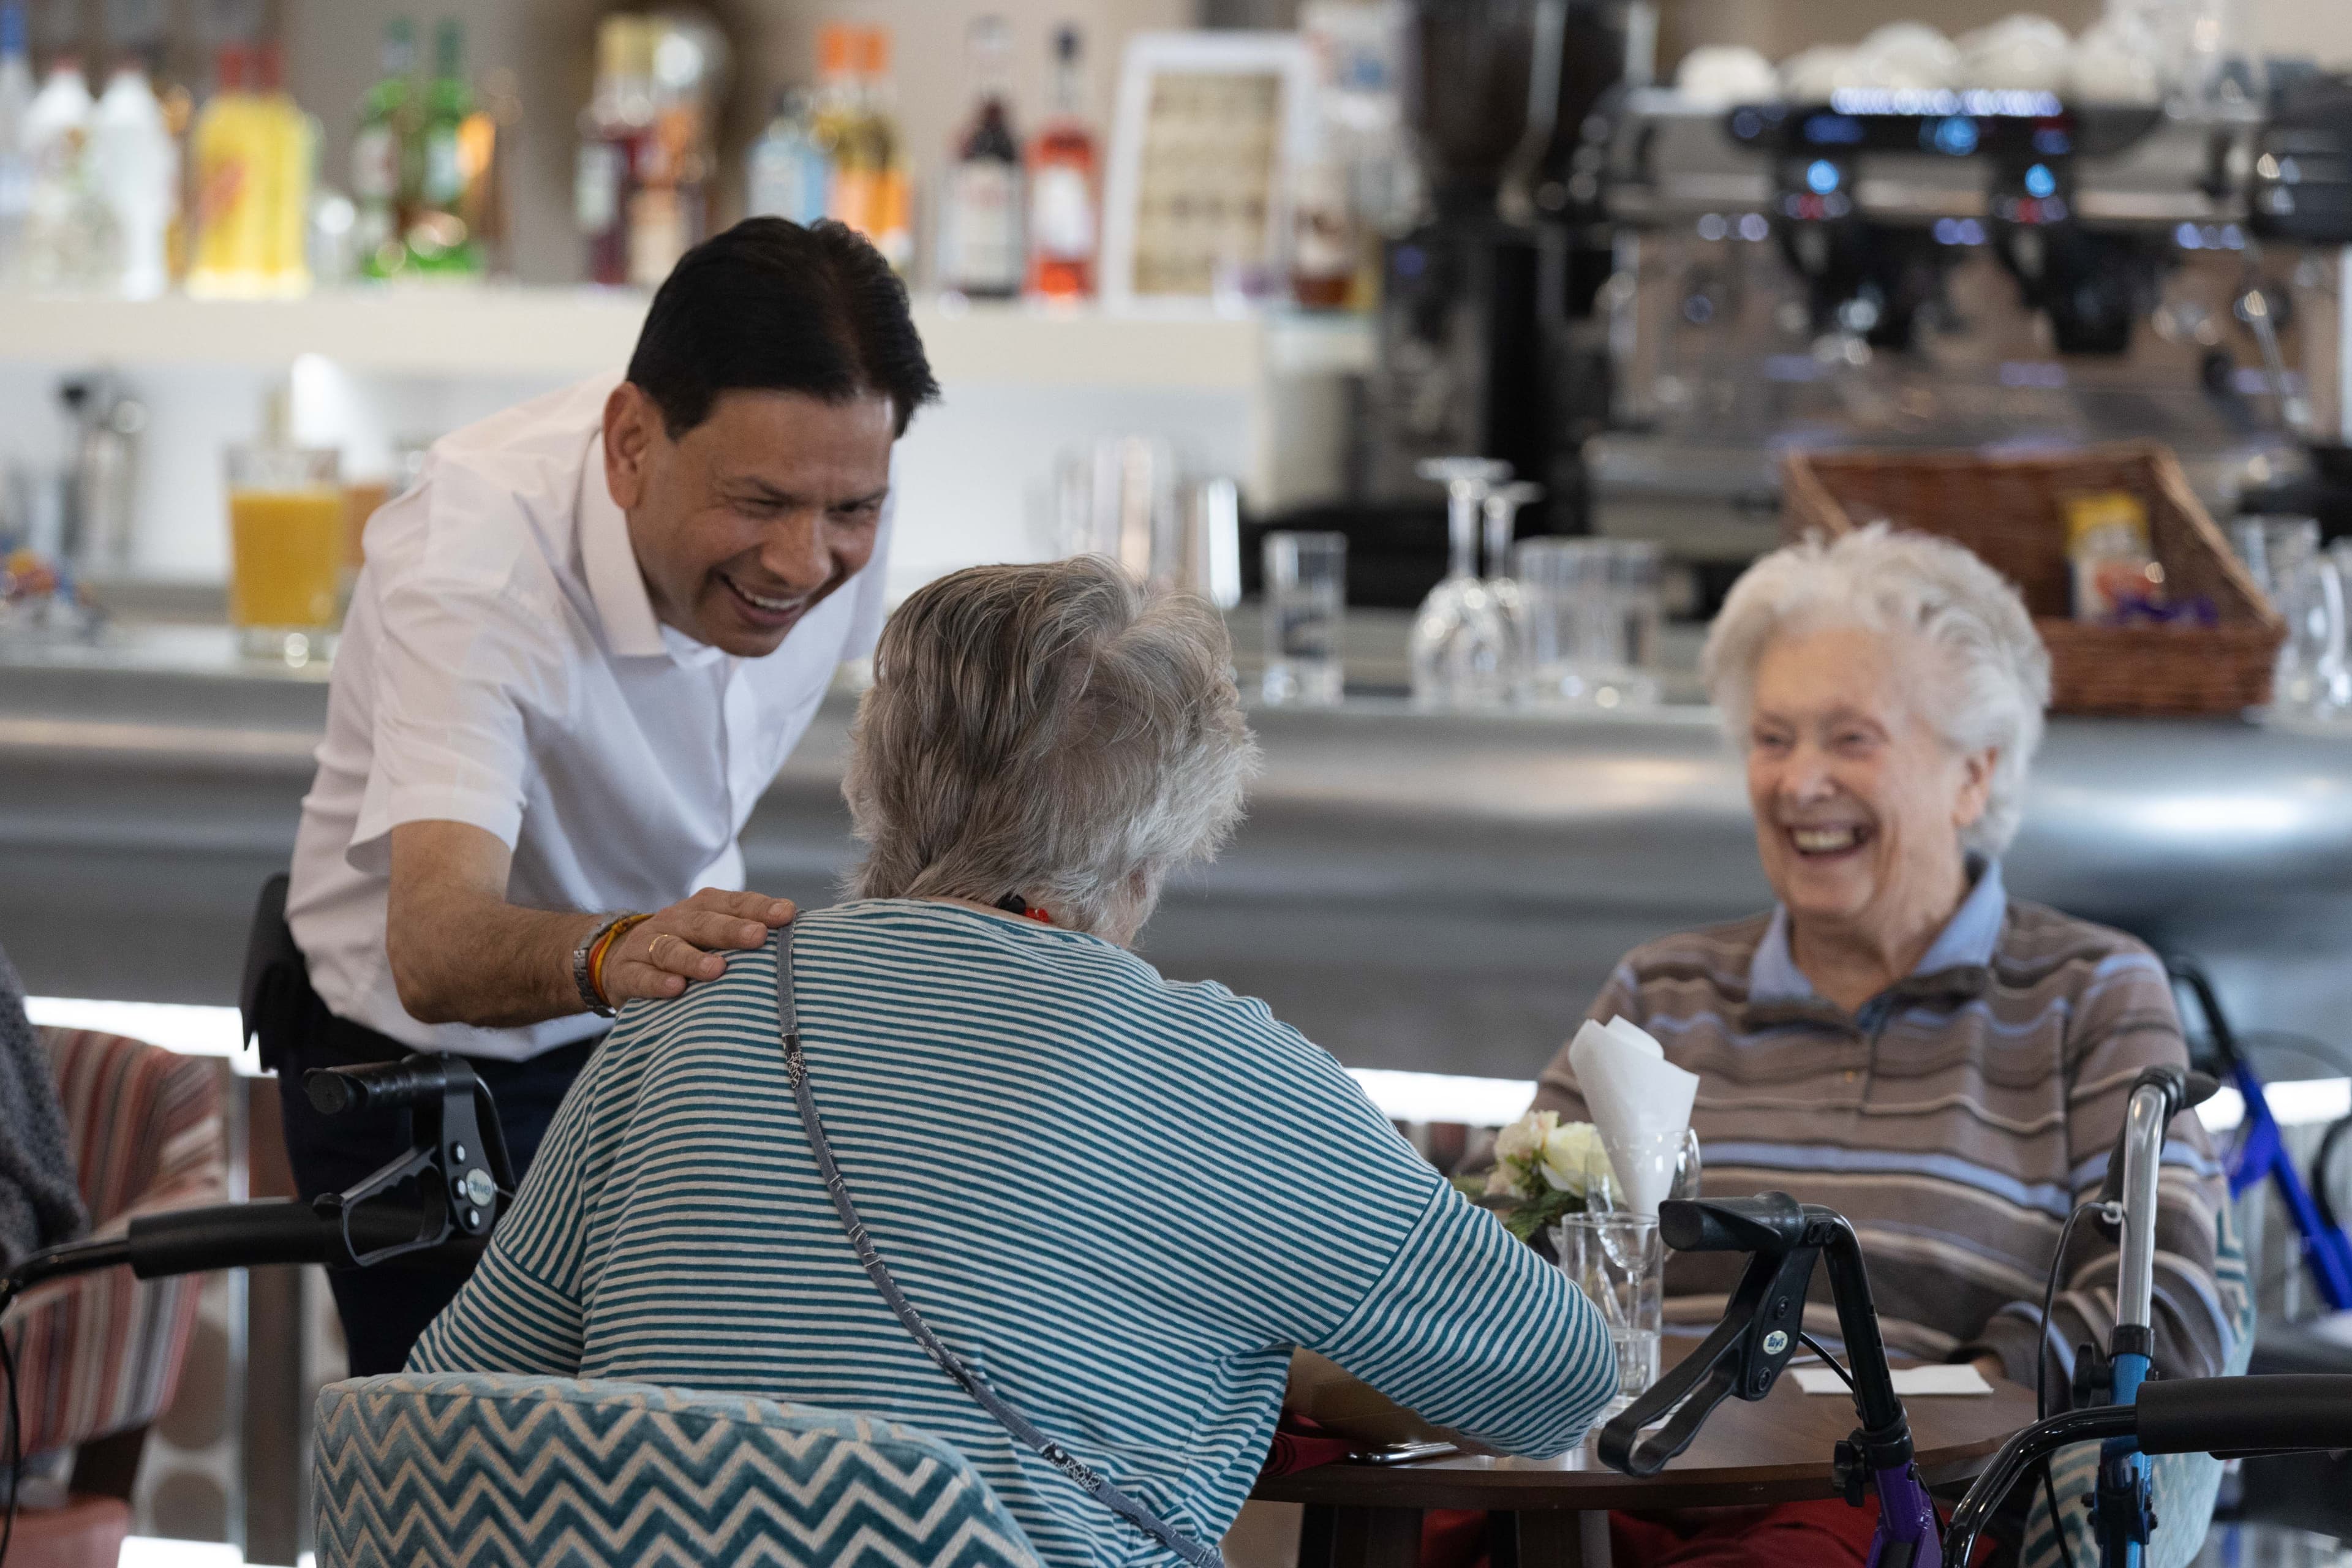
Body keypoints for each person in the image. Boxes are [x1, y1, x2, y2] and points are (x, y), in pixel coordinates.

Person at [413, 557, 1619, 1568]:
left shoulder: (687, 1007)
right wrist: (1261, 1343)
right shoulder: (1214, 1072)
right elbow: (1559, 1373)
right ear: (1165, 837)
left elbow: (452, 1400)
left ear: (872, 776)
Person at [258, 218, 938, 1375]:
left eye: (851, 512)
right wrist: (627, 946)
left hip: (649, 1024)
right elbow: (433, 941)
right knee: (472, 1495)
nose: (802, 564)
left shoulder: (827, 502)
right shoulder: (473, 558)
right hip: (421, 1065)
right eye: (760, 503)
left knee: (699, 1436)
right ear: (631, 441)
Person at [1530, 526, 2246, 1567]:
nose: (1799, 782)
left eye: (1851, 740)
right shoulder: (1662, 988)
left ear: (1973, 776)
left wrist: (1933, 1413)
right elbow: (1506, 1232)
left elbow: (2164, 1290)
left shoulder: (2087, 993)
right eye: (1772, 739)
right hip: (1617, 1490)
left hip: (1892, 1509)